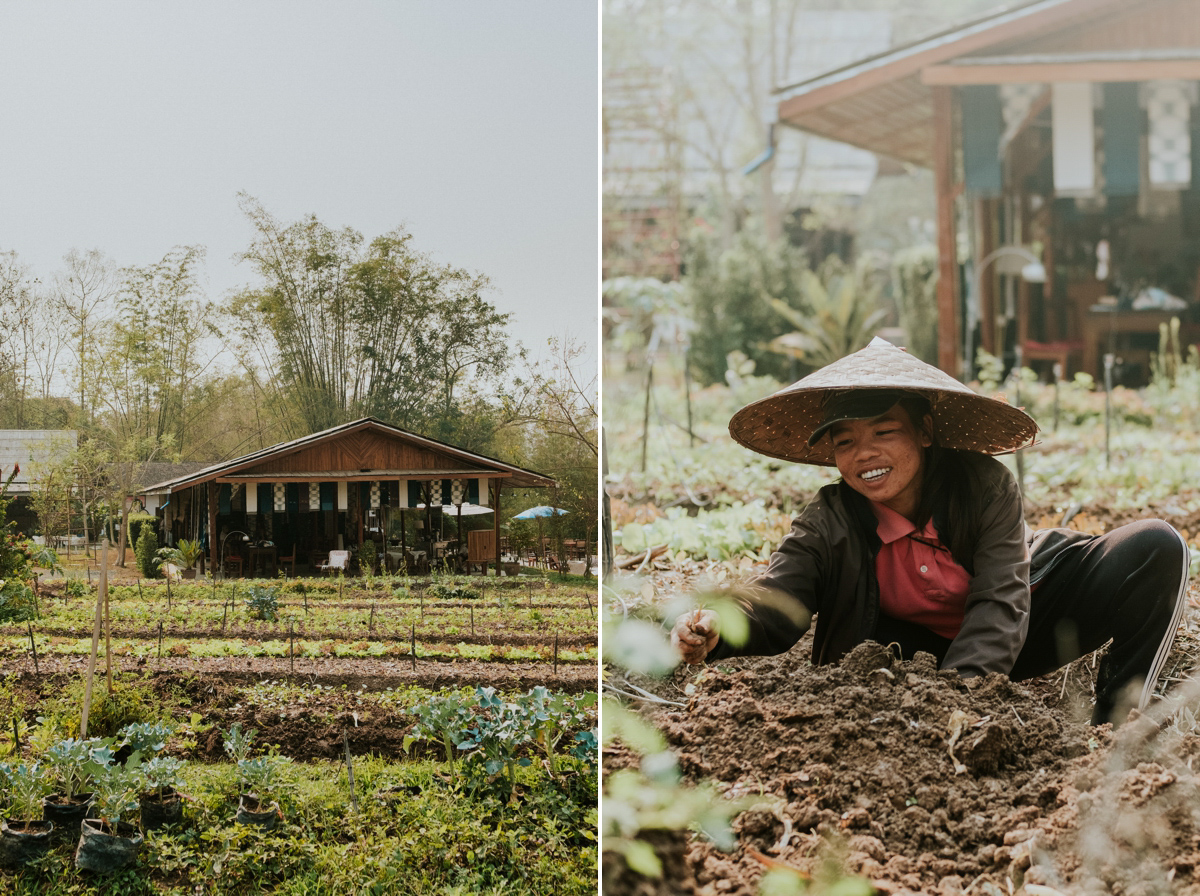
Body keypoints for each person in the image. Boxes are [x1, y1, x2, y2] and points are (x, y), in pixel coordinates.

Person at [671, 339, 1189, 725]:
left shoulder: (984, 485)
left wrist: (956, 700)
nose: (864, 454)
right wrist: (719, 626)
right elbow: (777, 596)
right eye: (846, 441)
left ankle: (1118, 725)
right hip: (909, 658)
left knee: (1155, 545)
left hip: (1018, 628)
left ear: (924, 433)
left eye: (884, 432)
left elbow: (1000, 603)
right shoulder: (829, 519)